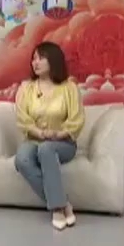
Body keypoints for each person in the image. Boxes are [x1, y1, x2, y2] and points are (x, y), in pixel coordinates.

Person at [14, 41, 86, 229]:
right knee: (22, 159)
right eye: (33, 59)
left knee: (46, 149)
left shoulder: (69, 87)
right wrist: (39, 132)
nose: (35, 63)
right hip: (34, 139)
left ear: (53, 60)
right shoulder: (27, 88)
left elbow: (77, 119)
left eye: (41, 58)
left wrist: (59, 133)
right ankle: (63, 203)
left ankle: (56, 210)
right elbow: (22, 118)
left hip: (63, 143)